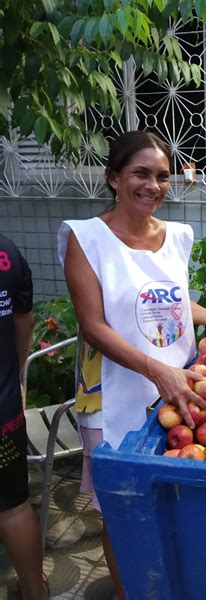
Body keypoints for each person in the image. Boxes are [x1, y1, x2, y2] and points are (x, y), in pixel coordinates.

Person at [58, 130, 206, 599]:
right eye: (141, 173)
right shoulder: (85, 239)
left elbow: (175, 303)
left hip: (180, 385)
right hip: (116, 393)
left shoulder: (178, 236)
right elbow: (93, 326)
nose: (153, 185)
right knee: (122, 507)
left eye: (162, 176)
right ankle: (128, 591)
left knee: (173, 497)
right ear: (113, 177)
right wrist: (157, 371)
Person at [0, 234, 49, 600]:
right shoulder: (7, 252)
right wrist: (15, 374)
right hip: (2, 410)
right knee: (14, 506)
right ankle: (35, 591)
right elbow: (24, 322)